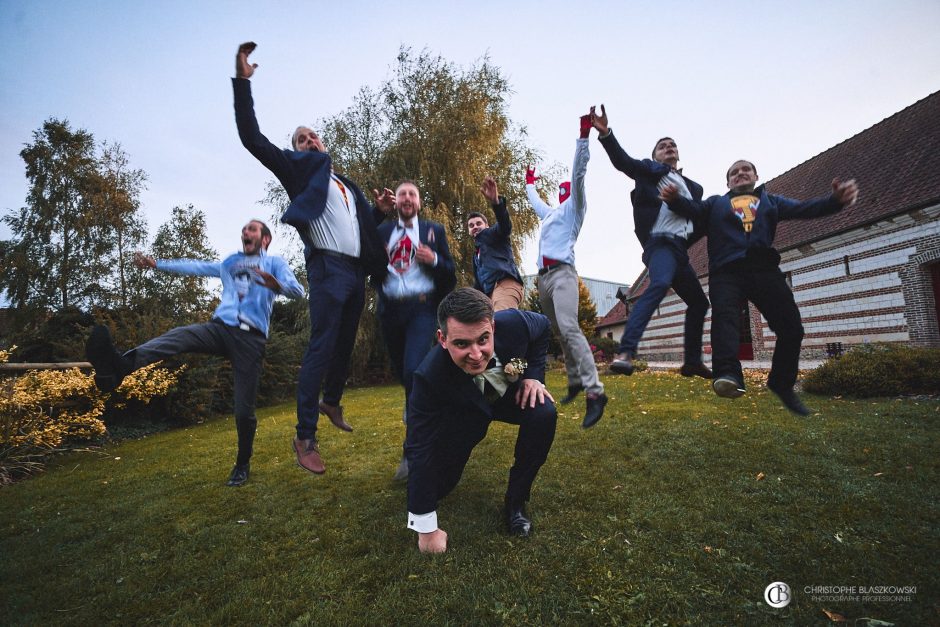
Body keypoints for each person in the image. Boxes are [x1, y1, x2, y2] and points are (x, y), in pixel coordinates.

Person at [233, 42, 391, 475]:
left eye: (313, 136)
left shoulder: (345, 183)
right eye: (302, 139)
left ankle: (332, 402)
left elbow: (360, 231)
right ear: (297, 150)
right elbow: (252, 139)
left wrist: (377, 211)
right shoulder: (298, 170)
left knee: (343, 344)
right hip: (327, 269)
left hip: (356, 273)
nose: (309, 141)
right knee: (321, 348)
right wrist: (242, 84)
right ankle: (305, 436)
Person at [85, 220, 305, 486]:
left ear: (265, 239)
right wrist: (158, 264)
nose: (245, 232)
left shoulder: (275, 264)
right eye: (244, 228)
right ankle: (119, 367)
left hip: (251, 339)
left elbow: (298, 292)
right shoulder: (230, 262)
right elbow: (197, 266)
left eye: (252, 230)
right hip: (220, 329)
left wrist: (276, 285)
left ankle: (242, 463)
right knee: (180, 336)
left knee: (243, 411)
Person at [662, 160, 859, 415]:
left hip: (763, 269)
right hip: (726, 271)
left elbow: (804, 208)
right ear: (728, 182)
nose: (740, 173)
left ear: (756, 175)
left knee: (792, 328)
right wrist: (674, 199)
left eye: (746, 170)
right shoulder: (715, 204)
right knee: (726, 318)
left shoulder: (771, 201)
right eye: (734, 172)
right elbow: (692, 209)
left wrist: (835, 201)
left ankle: (781, 383)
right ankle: (728, 374)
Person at [405, 288, 557, 553]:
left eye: (483, 340)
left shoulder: (515, 324)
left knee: (543, 412)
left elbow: (543, 327)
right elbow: (420, 446)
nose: (476, 355)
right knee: (441, 485)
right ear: (442, 339)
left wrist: (534, 376)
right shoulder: (428, 378)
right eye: (462, 344)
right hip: (464, 415)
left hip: (509, 397)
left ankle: (516, 504)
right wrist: (426, 528)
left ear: (493, 328)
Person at [591, 105, 712, 379]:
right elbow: (624, 163)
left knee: (699, 303)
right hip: (659, 244)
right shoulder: (651, 171)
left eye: (672, 145)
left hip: (680, 251)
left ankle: (692, 361)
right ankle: (626, 352)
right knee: (658, 285)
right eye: (662, 146)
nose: (668, 147)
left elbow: (697, 219)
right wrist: (607, 135)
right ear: (655, 155)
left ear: (678, 153)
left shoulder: (695, 188)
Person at [526, 114, 607, 428]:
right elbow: (535, 201)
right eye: (560, 190)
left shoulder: (575, 207)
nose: (563, 192)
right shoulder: (549, 214)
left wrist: (583, 137)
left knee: (570, 328)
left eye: (565, 190)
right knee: (558, 331)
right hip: (543, 279)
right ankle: (575, 381)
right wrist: (529, 182)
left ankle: (595, 392)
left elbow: (578, 174)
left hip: (562, 274)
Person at [375, 180, 456, 480]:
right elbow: (368, 265)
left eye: (412, 194)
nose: (407, 198)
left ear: (419, 203)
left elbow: (450, 274)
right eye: (402, 194)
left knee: (413, 372)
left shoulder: (434, 231)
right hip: (391, 312)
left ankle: (413, 449)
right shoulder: (382, 233)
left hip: (422, 309)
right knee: (405, 374)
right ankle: (422, 407)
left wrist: (433, 258)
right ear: (395, 202)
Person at [468, 177, 525, 311]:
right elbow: (479, 285)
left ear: (487, 225)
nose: (475, 227)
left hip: (505, 285)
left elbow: (505, 226)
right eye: (471, 225)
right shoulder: (477, 255)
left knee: (502, 322)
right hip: (489, 296)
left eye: (478, 223)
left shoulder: (493, 234)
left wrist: (496, 202)